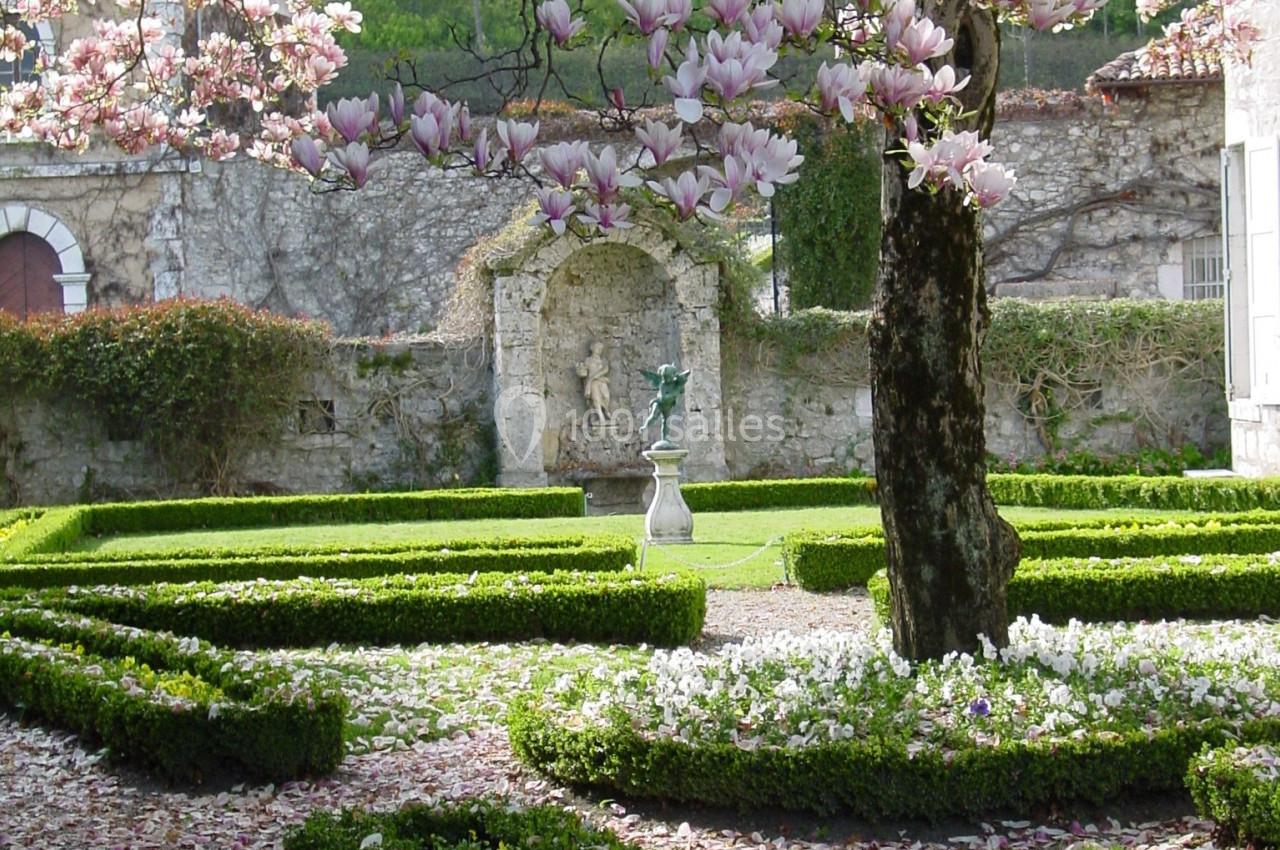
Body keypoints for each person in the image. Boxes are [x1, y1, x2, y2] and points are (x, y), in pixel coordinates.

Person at [576, 341, 611, 424]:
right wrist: (580, 369)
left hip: (601, 380)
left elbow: (606, 369)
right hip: (592, 383)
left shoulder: (603, 361)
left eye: (600, 349)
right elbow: (583, 372)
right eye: (597, 348)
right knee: (596, 398)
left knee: (606, 396)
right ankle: (600, 417)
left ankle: (605, 411)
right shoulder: (588, 360)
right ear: (592, 349)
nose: (599, 350)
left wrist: (596, 376)